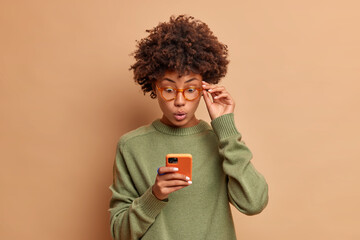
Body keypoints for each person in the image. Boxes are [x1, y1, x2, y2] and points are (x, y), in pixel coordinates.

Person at [108, 15, 269, 240]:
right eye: (170, 89)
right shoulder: (131, 146)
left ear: (204, 89)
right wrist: (154, 196)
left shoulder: (220, 141)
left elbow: (254, 203)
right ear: (154, 86)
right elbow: (120, 233)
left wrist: (226, 129)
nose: (180, 101)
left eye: (191, 89)